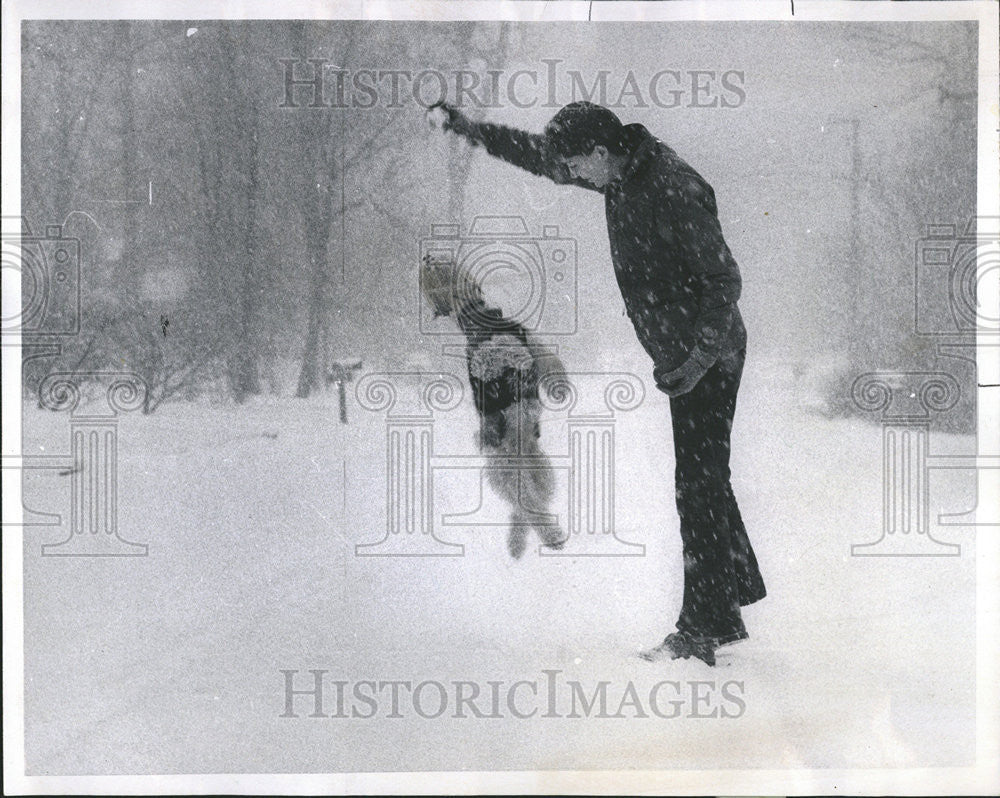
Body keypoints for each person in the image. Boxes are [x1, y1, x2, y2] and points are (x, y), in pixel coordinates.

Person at [429, 100, 766, 666]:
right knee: (707, 481)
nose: (573, 177)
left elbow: (723, 280)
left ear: (601, 153)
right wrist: (472, 131)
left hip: (711, 356)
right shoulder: (617, 172)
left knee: (698, 486)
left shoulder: (674, 186)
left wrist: (696, 360)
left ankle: (701, 626)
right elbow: (540, 158)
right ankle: (728, 604)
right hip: (680, 355)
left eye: (578, 166)